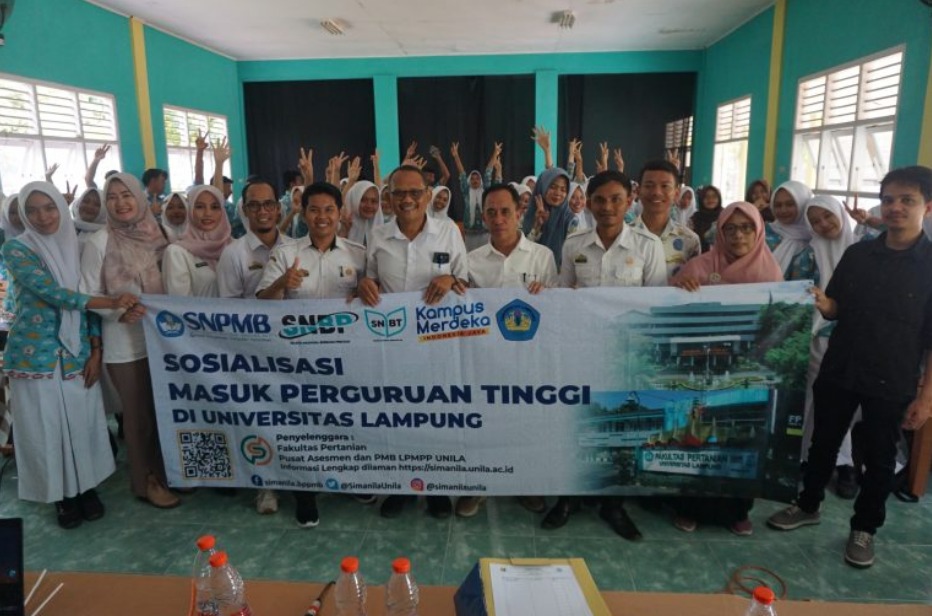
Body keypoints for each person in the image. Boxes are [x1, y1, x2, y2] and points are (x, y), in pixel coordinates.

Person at [767, 166, 932, 569]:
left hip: (891, 377)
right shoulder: (859, 254)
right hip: (841, 367)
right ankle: (808, 505)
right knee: (822, 442)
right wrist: (822, 302)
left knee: (879, 457)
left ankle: (864, 528)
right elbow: (836, 306)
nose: (895, 208)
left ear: (927, 206)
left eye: (906, 200)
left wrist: (927, 399)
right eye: (888, 199)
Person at [3, 181, 140, 528]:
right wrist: (111, 301)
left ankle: (86, 488)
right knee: (45, 428)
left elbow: (86, 301)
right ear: (23, 215)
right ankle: (62, 497)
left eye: (49, 207)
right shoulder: (17, 249)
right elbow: (53, 293)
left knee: (83, 424)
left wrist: (95, 350)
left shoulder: (77, 247)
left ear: (61, 209)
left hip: (77, 353)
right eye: (32, 210)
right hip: (35, 356)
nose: (43, 217)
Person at [550, 170, 666, 541]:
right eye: (599, 199)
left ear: (630, 201)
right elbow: (562, 294)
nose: (607, 207)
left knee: (619, 427)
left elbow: (657, 306)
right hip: (580, 350)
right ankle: (567, 497)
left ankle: (613, 504)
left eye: (616, 199)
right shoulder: (574, 244)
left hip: (625, 354)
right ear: (589, 203)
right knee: (575, 422)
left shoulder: (648, 246)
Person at [257, 183, 372, 526]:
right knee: (302, 424)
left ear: (340, 213)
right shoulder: (286, 253)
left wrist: (367, 287)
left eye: (329, 210)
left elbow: (374, 297)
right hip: (297, 356)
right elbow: (260, 302)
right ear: (304, 213)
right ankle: (304, 493)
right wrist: (282, 284)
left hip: (345, 355)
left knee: (344, 420)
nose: (322, 217)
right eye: (314, 209)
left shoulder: (358, 254)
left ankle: (348, 479)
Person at [358, 165, 468, 519]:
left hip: (437, 344)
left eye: (415, 192)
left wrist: (450, 278)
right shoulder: (378, 236)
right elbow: (370, 279)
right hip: (391, 344)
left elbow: (465, 278)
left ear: (428, 195)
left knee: (435, 416)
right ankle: (401, 486)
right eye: (399, 193)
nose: (407, 199)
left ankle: (436, 487)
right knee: (396, 417)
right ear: (389, 197)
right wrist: (365, 284)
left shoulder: (448, 232)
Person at [670, 202, 784, 535]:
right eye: (730, 228)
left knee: (740, 440)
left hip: (747, 370)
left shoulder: (771, 273)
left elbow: (777, 324)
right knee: (697, 436)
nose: (738, 235)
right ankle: (689, 507)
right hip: (701, 367)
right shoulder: (700, 266)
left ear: (758, 231)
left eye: (746, 228)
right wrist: (680, 287)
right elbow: (673, 307)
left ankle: (738, 511)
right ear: (719, 232)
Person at [80, 173, 179, 509]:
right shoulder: (100, 241)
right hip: (125, 344)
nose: (120, 203)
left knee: (164, 412)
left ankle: (167, 473)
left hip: (164, 340)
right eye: (112, 197)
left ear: (138, 197)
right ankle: (145, 481)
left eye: (126, 195)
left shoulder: (159, 232)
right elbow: (86, 293)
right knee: (138, 418)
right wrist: (117, 312)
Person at [460, 183, 557, 518]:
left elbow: (556, 310)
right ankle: (479, 487)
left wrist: (546, 294)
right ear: (484, 217)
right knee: (483, 422)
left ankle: (525, 484)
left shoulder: (543, 257)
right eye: (491, 212)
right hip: (484, 358)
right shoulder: (471, 261)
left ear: (519, 213)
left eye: (505, 211)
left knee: (526, 422)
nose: (498, 218)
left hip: (528, 359)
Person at [799, 194, 858, 499]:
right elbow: (799, 292)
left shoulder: (865, 249)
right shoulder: (808, 254)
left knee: (848, 405)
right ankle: (810, 458)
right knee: (817, 401)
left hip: (858, 340)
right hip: (818, 337)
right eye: (815, 221)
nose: (823, 224)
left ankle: (846, 462)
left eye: (827, 216)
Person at [631, 160, 701, 281]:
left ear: (676, 193)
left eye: (665, 186)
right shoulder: (621, 237)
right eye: (649, 186)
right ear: (638, 191)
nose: (656, 192)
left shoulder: (690, 241)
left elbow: (695, 283)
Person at [162, 185, 232, 297]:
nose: (208, 213)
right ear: (190, 210)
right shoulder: (177, 252)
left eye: (215, 207)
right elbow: (180, 303)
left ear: (222, 211)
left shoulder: (234, 246)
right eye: (200, 207)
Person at [765, 180, 815, 281]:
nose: (783, 210)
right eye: (778, 205)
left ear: (803, 204)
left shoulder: (817, 237)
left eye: (790, 204)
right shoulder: (762, 234)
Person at [523, 168, 573, 268]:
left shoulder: (571, 220)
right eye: (553, 187)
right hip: (529, 271)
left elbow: (573, 255)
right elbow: (522, 251)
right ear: (542, 187)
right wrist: (537, 226)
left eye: (563, 189)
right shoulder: (525, 216)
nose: (558, 193)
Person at [451, 142, 497, 250]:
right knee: (470, 257)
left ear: (481, 181)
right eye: (472, 178)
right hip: (470, 234)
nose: (475, 180)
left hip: (485, 233)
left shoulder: (485, 191)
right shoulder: (466, 191)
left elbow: (488, 172)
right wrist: (456, 156)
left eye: (477, 178)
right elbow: (462, 174)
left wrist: (495, 153)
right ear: (469, 181)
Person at [342, 180, 384, 246]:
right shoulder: (335, 227)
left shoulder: (385, 232)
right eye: (363, 200)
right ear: (354, 200)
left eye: (374, 201)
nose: (369, 205)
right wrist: (344, 231)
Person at [690, 185, 723, 252]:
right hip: (699, 255)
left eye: (714, 197)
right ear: (701, 199)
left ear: (719, 199)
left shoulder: (725, 215)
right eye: (706, 197)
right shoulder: (695, 218)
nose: (710, 200)